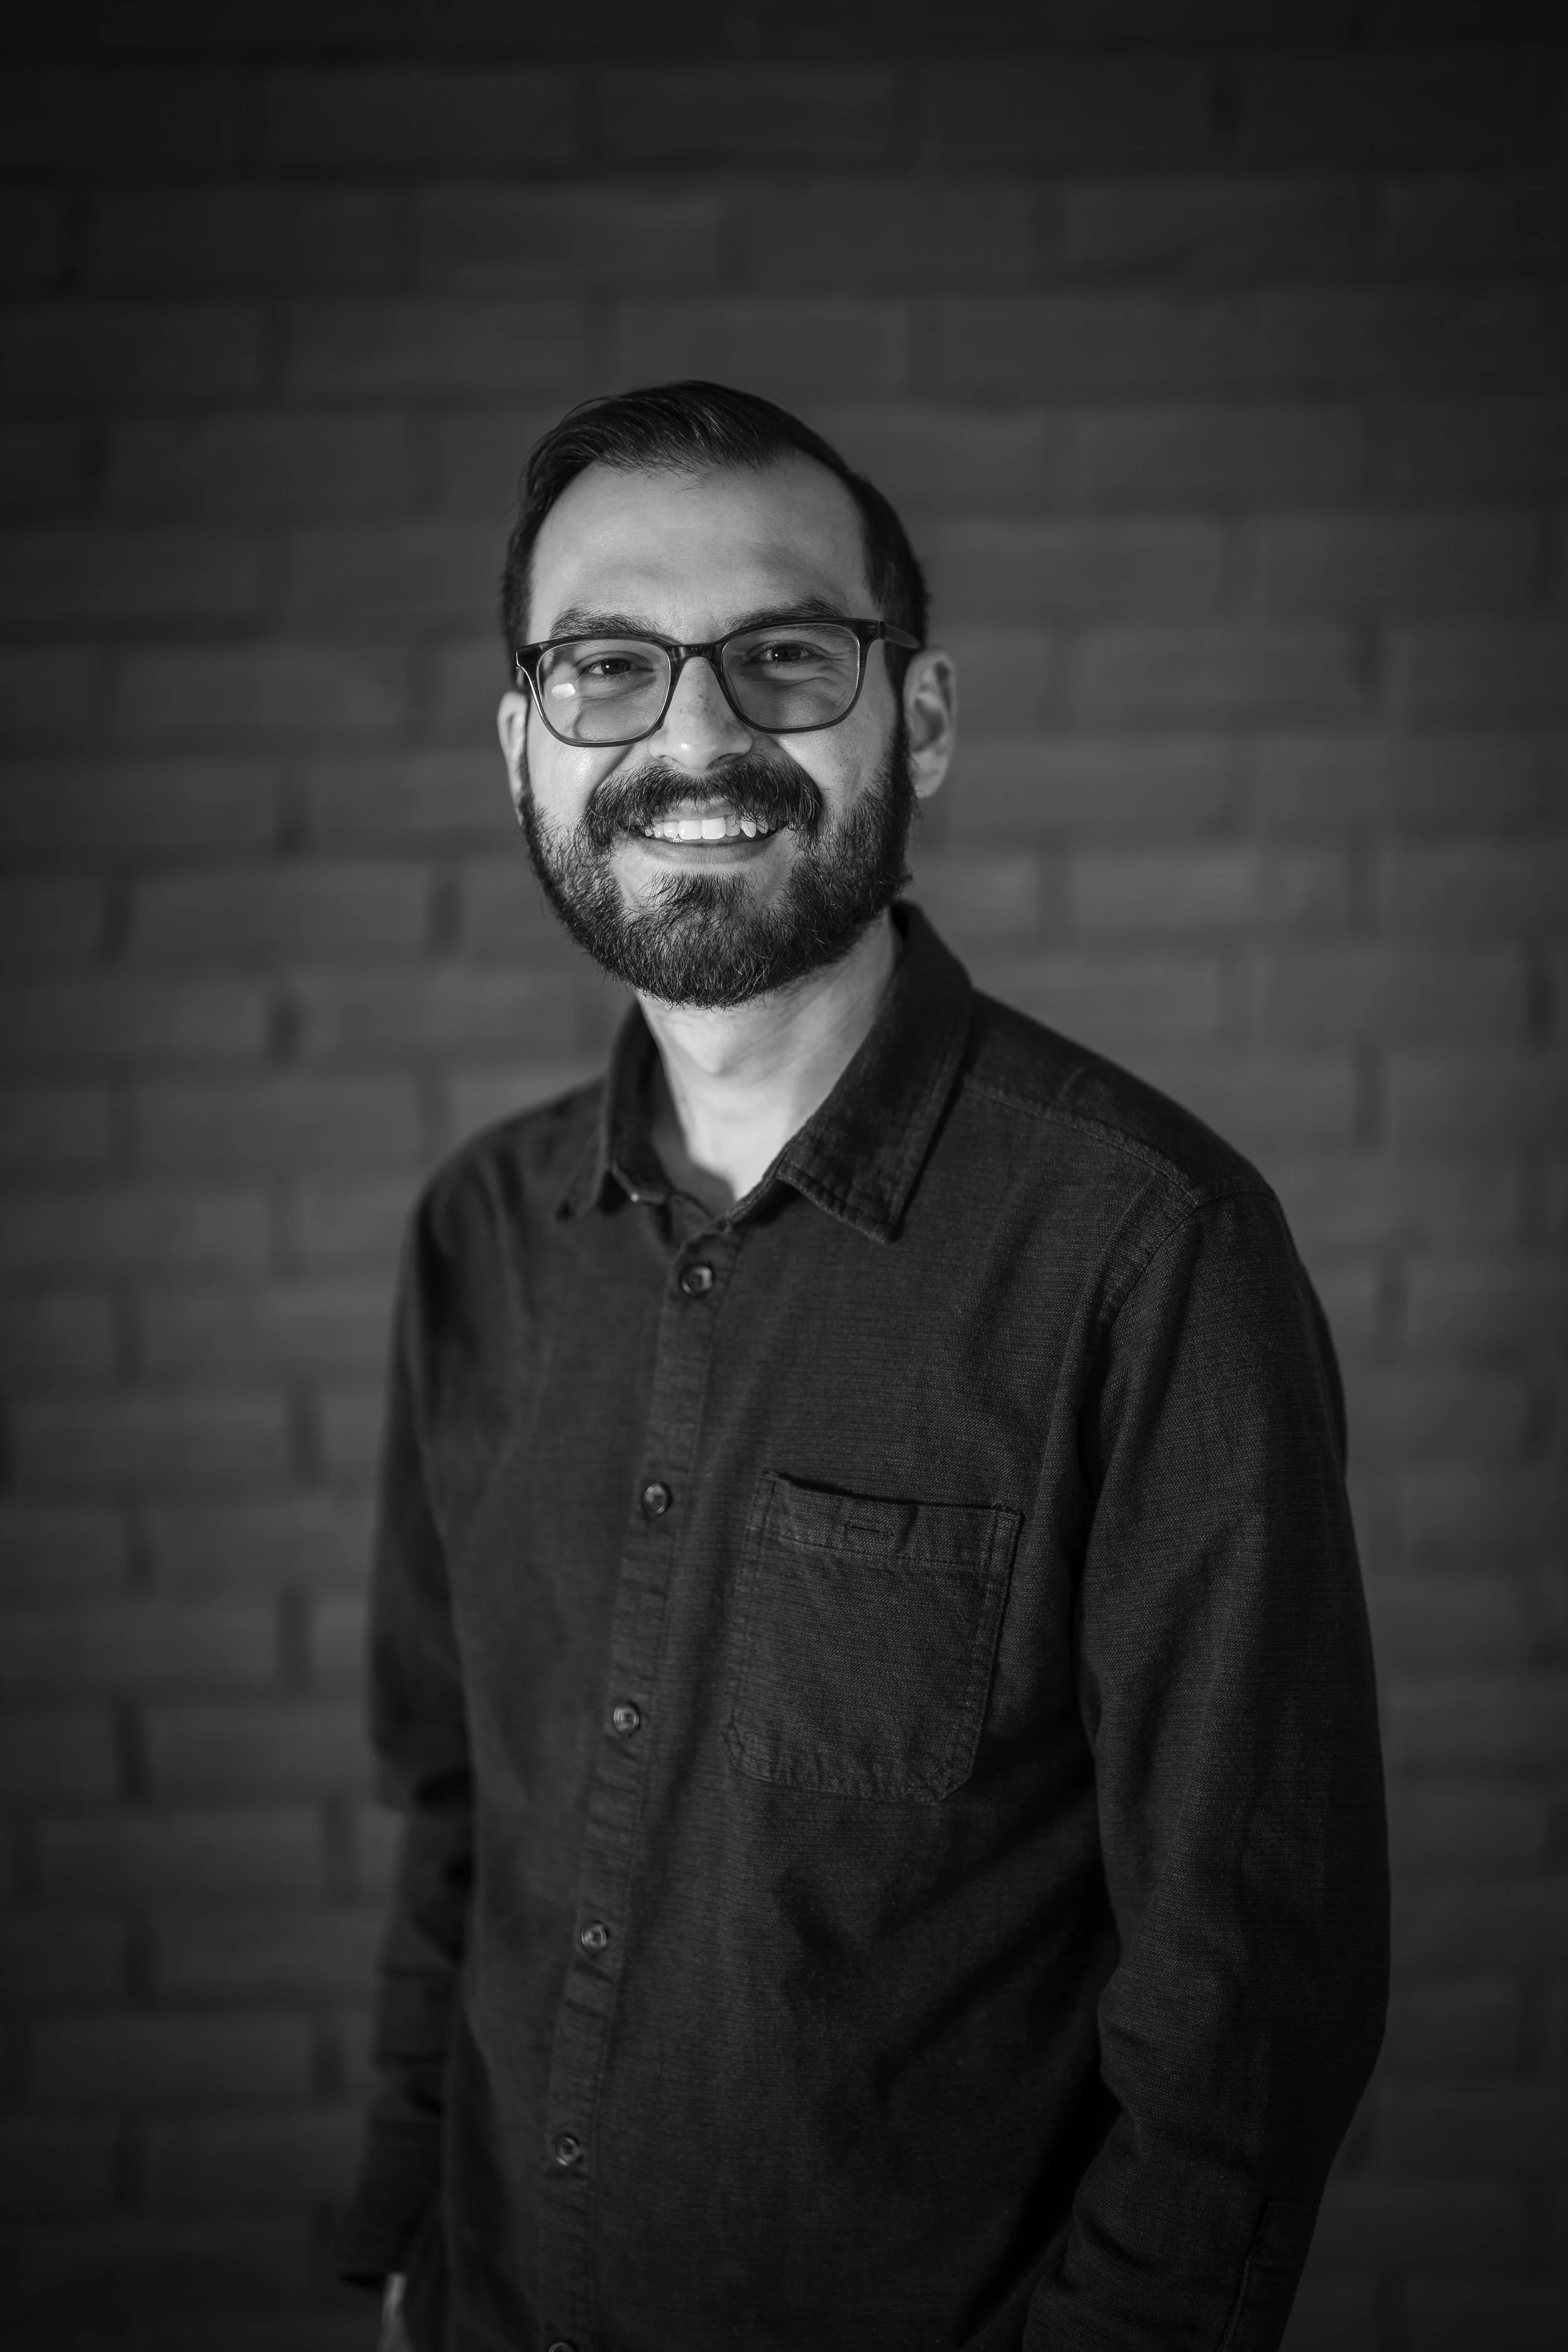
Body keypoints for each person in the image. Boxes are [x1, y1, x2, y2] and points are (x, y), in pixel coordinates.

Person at [337, 381, 1388, 2352]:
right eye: (609, 668)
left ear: (913, 717)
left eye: (783, 656)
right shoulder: (474, 1238)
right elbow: (457, 1814)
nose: (698, 734)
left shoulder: (1147, 1252)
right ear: (520, 750)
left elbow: (1249, 2004)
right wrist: (403, 2248)